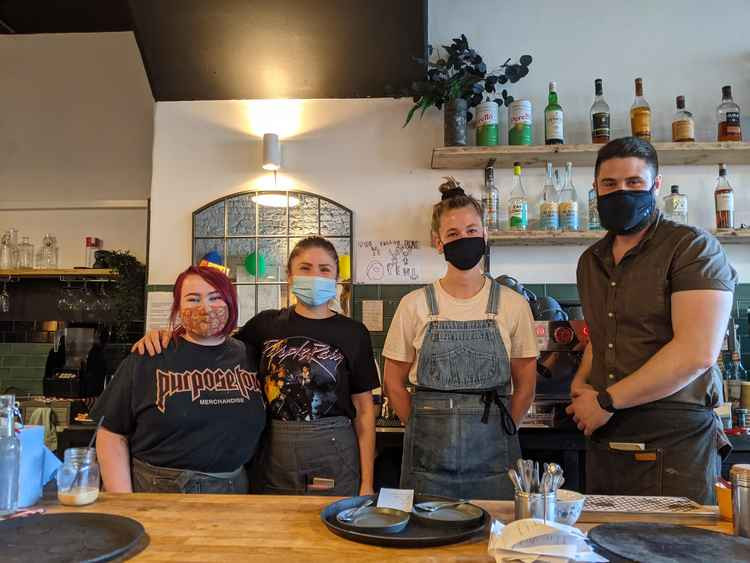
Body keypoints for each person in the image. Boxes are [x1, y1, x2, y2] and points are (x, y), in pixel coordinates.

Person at [132, 237, 380, 496]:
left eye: (325, 269)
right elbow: (214, 344)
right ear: (290, 276)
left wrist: (367, 484)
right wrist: (169, 336)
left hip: (334, 449)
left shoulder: (353, 333)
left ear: (336, 278)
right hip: (274, 452)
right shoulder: (265, 325)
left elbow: (364, 412)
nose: (315, 276)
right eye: (305, 268)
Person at [567, 137, 737, 504]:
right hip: (606, 432)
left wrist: (606, 401)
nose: (621, 192)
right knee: (605, 547)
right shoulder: (590, 261)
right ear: (595, 188)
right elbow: (601, 336)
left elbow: (696, 353)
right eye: (609, 184)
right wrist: (582, 383)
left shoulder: (692, 248)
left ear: (656, 186)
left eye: (634, 183)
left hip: (673, 434)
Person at [383, 180, 538, 500]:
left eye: (472, 230)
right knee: (428, 541)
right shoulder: (413, 304)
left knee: (495, 542)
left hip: (495, 458)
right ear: (438, 243)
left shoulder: (513, 305)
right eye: (453, 234)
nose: (464, 239)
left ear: (485, 234)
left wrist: (503, 429)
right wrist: (424, 425)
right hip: (428, 462)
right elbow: (394, 383)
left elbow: (526, 385)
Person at [92, 265, 266, 493]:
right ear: (178, 307)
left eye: (215, 297)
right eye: (193, 299)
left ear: (230, 302)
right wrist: (124, 502)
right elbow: (111, 433)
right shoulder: (149, 356)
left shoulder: (250, 355)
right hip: (159, 490)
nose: (205, 308)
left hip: (234, 491)